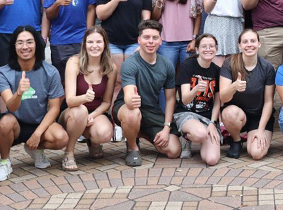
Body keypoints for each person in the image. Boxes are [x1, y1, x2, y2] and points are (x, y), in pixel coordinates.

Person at [0, 26, 68, 181]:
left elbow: (54, 108)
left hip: (39, 123)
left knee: (61, 138)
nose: (25, 47)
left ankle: (35, 148)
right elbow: (11, 107)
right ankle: (5, 161)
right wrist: (19, 93)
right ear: (14, 46)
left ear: (37, 45)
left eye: (29, 42)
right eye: (20, 43)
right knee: (5, 122)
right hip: (15, 125)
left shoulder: (50, 71)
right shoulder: (3, 73)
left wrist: (38, 134)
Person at [111, 20, 182, 166]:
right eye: (146, 38)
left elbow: (170, 99)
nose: (150, 42)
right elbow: (129, 95)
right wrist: (132, 100)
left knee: (174, 150)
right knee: (133, 113)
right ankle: (132, 147)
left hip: (151, 110)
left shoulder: (166, 65)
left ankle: (138, 132)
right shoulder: (130, 64)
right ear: (139, 40)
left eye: (155, 38)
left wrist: (166, 127)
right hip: (126, 108)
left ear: (161, 41)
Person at [95, 0, 152, 98]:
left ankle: (132, 117)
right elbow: (100, 14)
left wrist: (142, 42)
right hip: (112, 42)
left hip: (134, 42)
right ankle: (115, 119)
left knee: (133, 83)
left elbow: (146, 17)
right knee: (117, 82)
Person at [59, 26, 116, 169]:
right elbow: (70, 100)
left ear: (105, 44)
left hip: (94, 114)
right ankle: (69, 153)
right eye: (90, 42)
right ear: (84, 44)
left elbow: (107, 102)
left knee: (104, 134)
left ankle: (94, 142)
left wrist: (94, 115)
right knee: (80, 111)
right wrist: (85, 98)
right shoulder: (74, 62)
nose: (95, 46)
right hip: (72, 112)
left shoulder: (111, 67)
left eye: (99, 42)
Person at [219, 29, 275, 160]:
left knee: (256, 154)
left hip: (258, 116)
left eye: (253, 41)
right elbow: (223, 97)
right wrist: (234, 87)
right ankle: (236, 140)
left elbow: (268, 102)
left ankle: (254, 134)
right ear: (239, 45)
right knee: (229, 113)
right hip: (238, 115)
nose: (249, 45)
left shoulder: (267, 67)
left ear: (259, 44)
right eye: (245, 42)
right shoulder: (230, 63)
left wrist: (261, 131)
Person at [174, 34, 222, 164]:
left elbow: (217, 101)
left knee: (212, 160)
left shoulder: (217, 71)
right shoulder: (188, 65)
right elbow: (184, 100)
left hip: (207, 117)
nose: (208, 49)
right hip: (187, 113)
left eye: (211, 46)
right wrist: (195, 89)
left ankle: (203, 139)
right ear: (197, 49)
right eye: (204, 46)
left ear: (216, 49)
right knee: (200, 133)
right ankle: (186, 139)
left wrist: (212, 123)